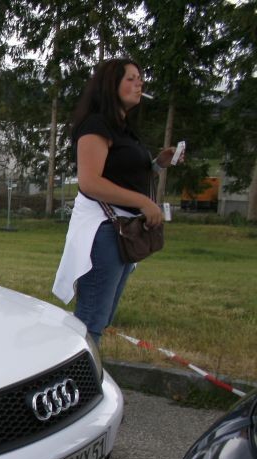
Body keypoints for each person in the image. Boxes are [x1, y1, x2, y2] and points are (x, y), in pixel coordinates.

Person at [52, 58, 178, 343]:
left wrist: (158, 164)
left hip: (122, 231)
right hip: (104, 231)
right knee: (91, 318)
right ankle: (83, 370)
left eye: (140, 79)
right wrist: (144, 202)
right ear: (111, 86)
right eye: (131, 79)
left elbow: (123, 174)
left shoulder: (123, 128)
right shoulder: (96, 126)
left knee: (101, 316)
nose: (139, 84)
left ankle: (89, 366)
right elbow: (90, 181)